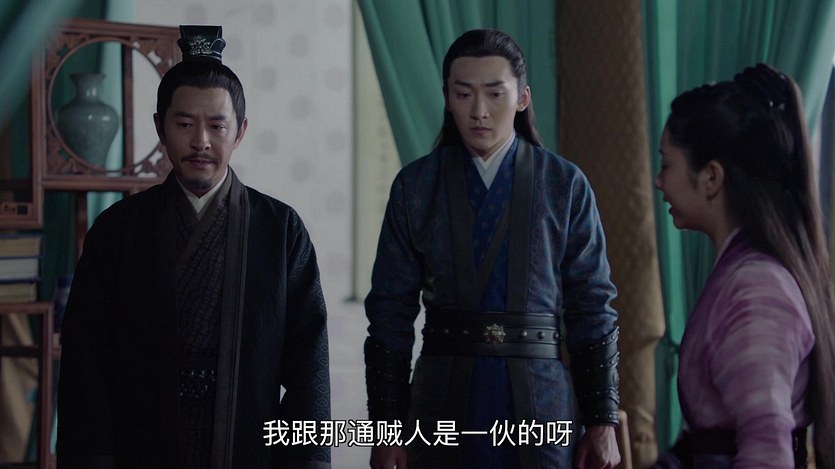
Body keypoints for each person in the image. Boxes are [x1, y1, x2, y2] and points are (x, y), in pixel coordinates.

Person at [57, 25, 331, 469]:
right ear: (160, 128)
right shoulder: (118, 230)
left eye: (216, 126)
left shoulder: (281, 229)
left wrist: (307, 461)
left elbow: (309, 367)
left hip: (248, 444)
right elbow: (85, 364)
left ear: (239, 132)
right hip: (139, 442)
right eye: (184, 124)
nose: (201, 141)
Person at [364, 29, 621, 469]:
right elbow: (390, 313)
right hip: (441, 399)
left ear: (522, 98)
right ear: (447, 98)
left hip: (540, 402)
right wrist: (386, 428)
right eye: (463, 94)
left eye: (495, 94)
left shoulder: (564, 184)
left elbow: (592, 305)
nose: (479, 111)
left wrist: (602, 420)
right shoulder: (416, 186)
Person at [653, 63, 835, 468]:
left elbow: (766, 453)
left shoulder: (757, 290)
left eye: (666, 165)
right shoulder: (742, 275)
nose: (658, 181)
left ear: (711, 177)